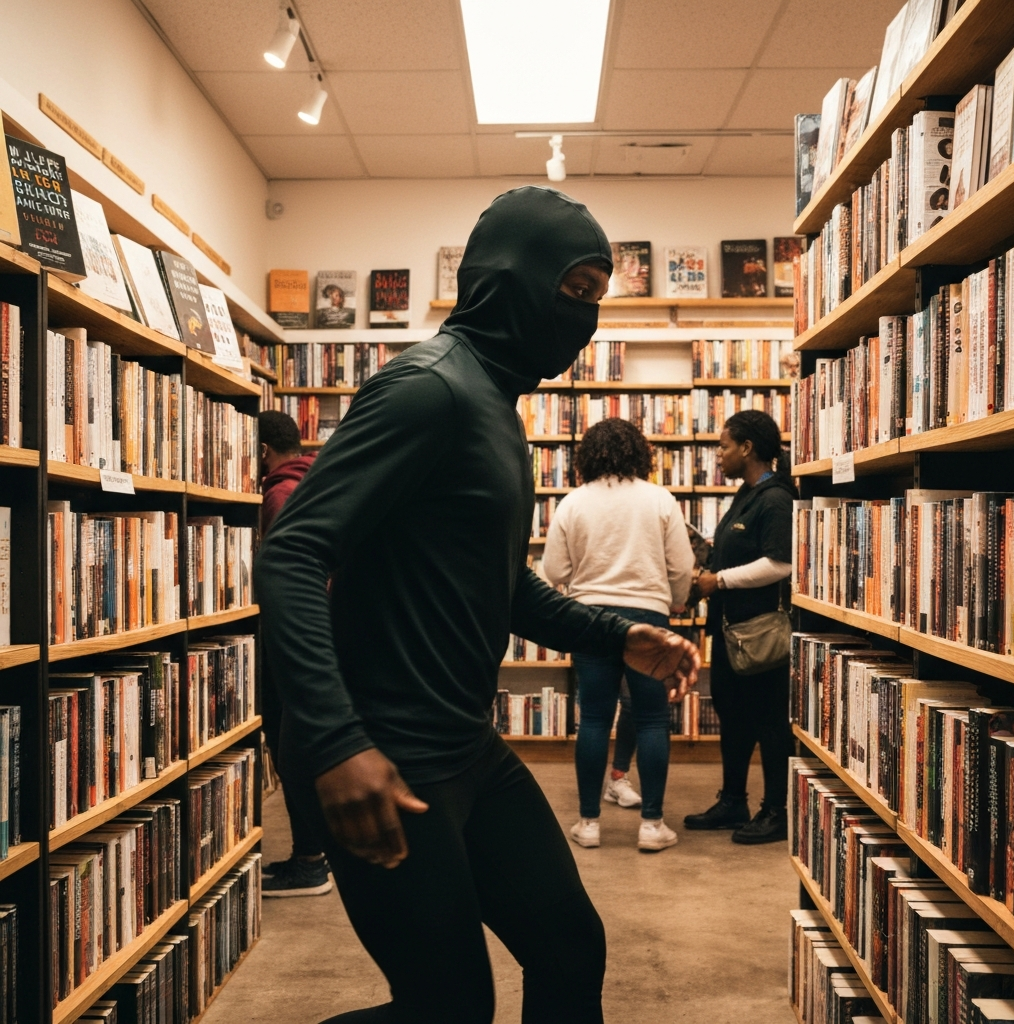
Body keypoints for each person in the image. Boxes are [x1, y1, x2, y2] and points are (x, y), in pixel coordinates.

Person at [255, 186, 701, 1024]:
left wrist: (616, 634)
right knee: (448, 1007)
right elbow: (295, 552)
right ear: (507, 278)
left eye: (599, 298)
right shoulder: (426, 389)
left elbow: (501, 588)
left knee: (570, 944)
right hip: (383, 750)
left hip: (463, 743)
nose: (585, 318)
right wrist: (334, 742)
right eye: (574, 290)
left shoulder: (497, 409)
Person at [543, 418, 695, 851]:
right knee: (651, 718)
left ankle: (589, 824)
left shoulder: (573, 502)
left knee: (593, 718)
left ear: (587, 455)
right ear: (639, 453)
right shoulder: (660, 499)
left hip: (589, 619)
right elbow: (681, 567)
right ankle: (651, 826)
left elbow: (553, 572)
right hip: (649, 618)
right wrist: (676, 599)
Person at [684, 409, 796, 845]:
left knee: (769, 721)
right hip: (732, 631)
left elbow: (780, 563)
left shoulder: (775, 499)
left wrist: (719, 580)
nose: (718, 454)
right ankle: (733, 800)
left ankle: (776, 810)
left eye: (724, 446)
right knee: (734, 717)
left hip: (760, 633)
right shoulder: (745, 495)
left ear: (747, 448)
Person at [256, 410, 332, 896]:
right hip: (318, 633)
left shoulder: (279, 494)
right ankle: (315, 853)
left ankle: (310, 860)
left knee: (289, 743)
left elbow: (292, 576)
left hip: (292, 638)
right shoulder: (313, 482)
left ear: (262, 450)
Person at [605, 520, 711, 807]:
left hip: (657, 615)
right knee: (633, 704)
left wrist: (684, 596)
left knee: (643, 705)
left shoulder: (660, 516)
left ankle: (618, 777)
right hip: (631, 614)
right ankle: (618, 779)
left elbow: (698, 554)